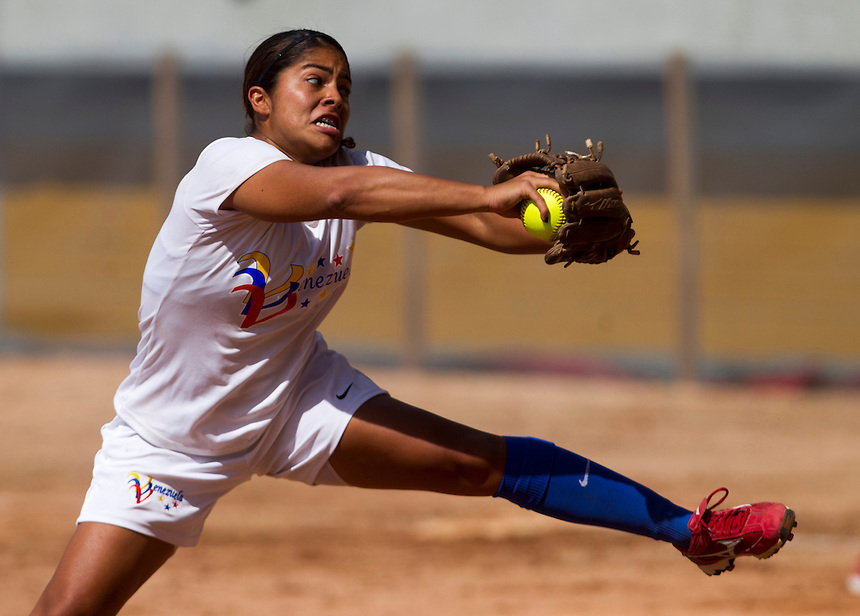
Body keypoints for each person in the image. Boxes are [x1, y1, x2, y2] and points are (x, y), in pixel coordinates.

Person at [31, 29, 796, 616]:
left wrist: (544, 223)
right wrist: (480, 194)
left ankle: (689, 531)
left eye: (345, 86)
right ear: (260, 99)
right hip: (171, 442)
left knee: (478, 463)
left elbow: (491, 230)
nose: (335, 96)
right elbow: (339, 200)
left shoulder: (363, 169)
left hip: (296, 399)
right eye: (314, 80)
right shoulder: (226, 166)